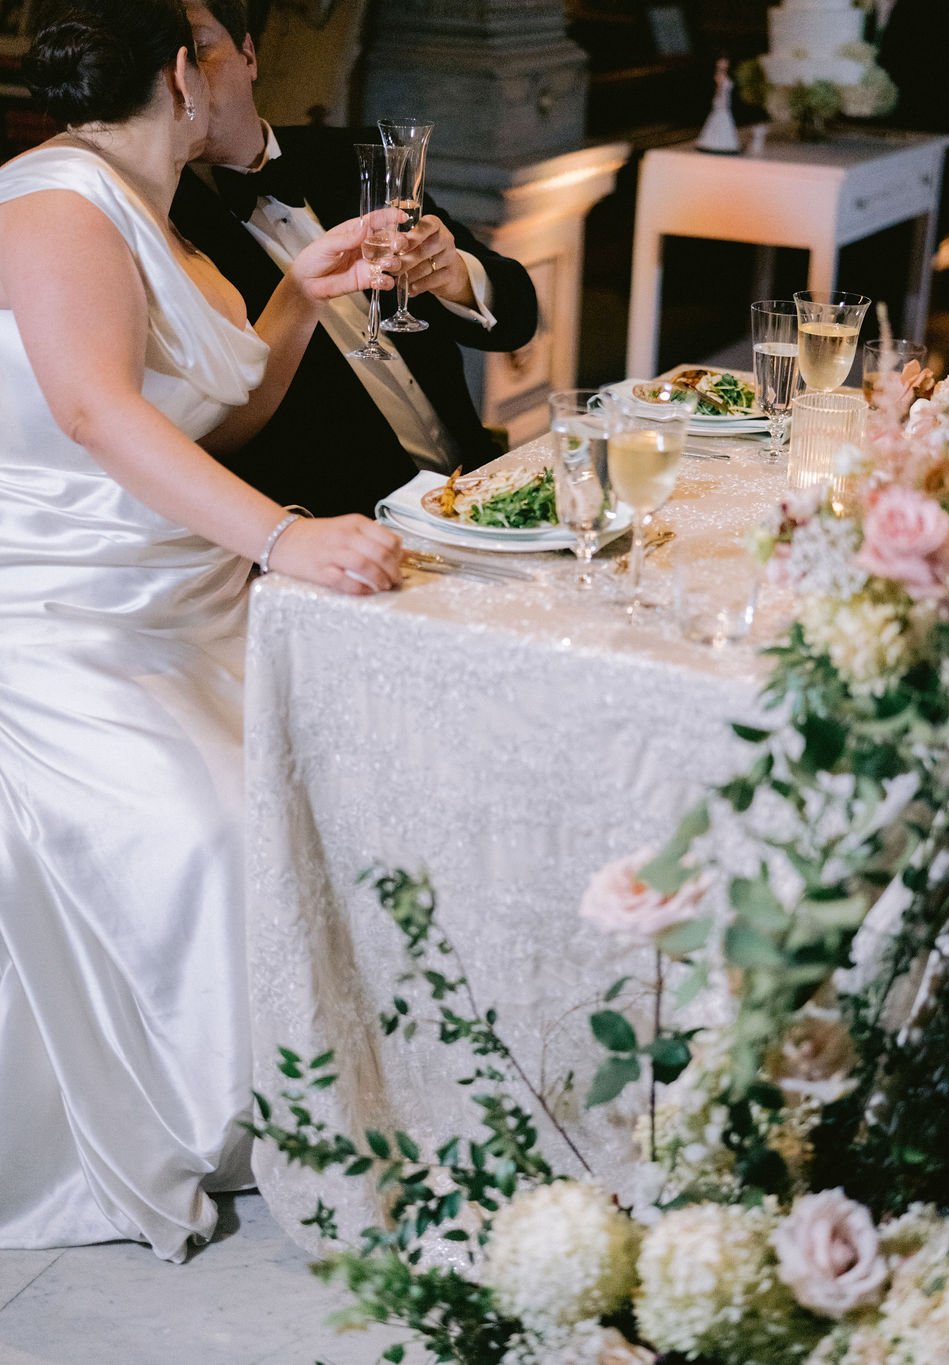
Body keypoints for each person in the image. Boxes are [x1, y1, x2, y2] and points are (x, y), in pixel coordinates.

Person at [0, 0, 404, 1262]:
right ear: (186, 72)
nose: (252, 86)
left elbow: (197, 432)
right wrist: (287, 538)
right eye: (238, 60)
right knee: (213, 836)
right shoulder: (57, 203)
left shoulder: (159, 220)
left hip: (195, 606)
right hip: (71, 622)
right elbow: (93, 417)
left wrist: (295, 298)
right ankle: (235, 1119)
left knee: (353, 792)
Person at [169, 0, 540, 518]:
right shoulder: (166, 225)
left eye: (200, 50)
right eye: (163, 61)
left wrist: (458, 278)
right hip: (350, 525)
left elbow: (520, 316)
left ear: (248, 54)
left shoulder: (354, 158)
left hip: (477, 484)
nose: (181, 78)